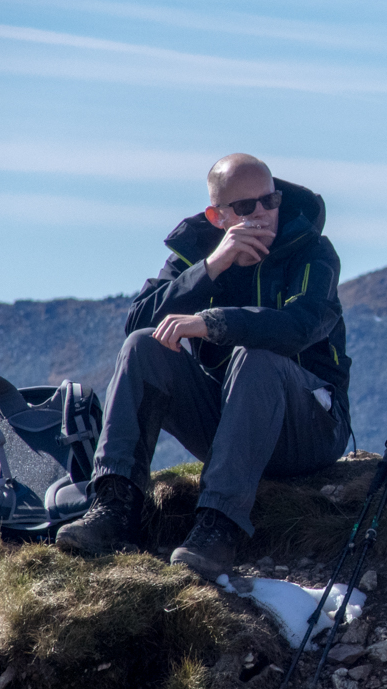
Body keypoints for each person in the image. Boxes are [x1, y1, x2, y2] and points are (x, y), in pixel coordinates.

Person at [56, 154, 352, 581]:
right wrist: (212, 266)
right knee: (144, 346)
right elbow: (137, 323)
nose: (263, 214)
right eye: (246, 208)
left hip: (310, 427)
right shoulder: (196, 252)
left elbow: (301, 326)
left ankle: (218, 528)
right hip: (230, 422)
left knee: (257, 355)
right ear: (218, 216)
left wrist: (211, 324)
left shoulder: (312, 250)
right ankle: (114, 509)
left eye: (270, 201)